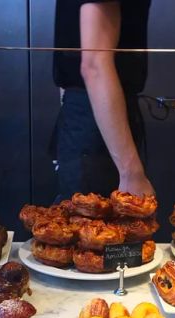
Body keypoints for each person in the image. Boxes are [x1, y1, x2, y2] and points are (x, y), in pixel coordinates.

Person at [53, 0, 154, 199]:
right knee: (95, 225)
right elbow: (94, 66)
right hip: (96, 122)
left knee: (84, 222)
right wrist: (130, 171)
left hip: (92, 114)